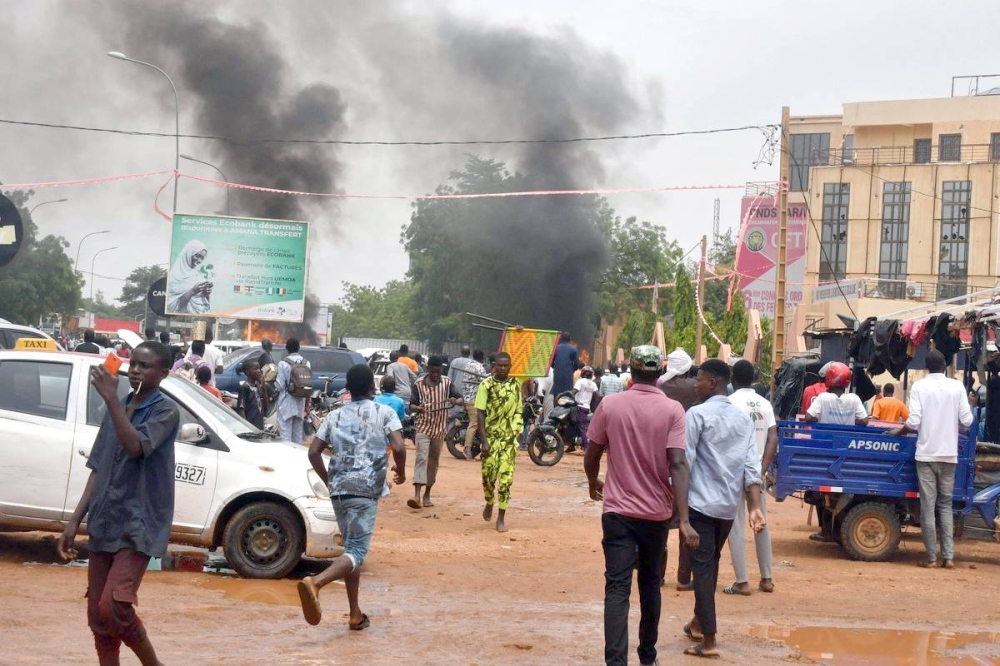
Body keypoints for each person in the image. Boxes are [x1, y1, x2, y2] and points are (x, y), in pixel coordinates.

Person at [58, 341, 179, 666]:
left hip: (137, 526)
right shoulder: (118, 406)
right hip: (104, 521)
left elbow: (135, 447)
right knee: (98, 618)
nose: (135, 370)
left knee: (114, 607)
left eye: (145, 365)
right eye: (133, 363)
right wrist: (74, 521)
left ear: (164, 374)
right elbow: (98, 467)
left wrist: (111, 400)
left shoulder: (165, 411)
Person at [584, 345, 693, 666]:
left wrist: (593, 482)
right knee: (649, 586)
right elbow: (678, 463)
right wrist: (684, 519)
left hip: (617, 512)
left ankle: (615, 662)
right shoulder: (673, 411)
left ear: (631, 371)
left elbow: (592, 454)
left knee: (617, 589)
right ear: (661, 373)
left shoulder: (610, 405)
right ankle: (648, 657)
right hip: (656, 515)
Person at [300, 364, 407, 630]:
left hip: (339, 492)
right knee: (358, 551)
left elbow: (313, 452)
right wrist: (401, 472)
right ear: (373, 387)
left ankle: (355, 613)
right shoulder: (385, 412)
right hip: (365, 491)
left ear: (347, 388)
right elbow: (399, 446)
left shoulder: (334, 416)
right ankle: (317, 583)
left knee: (351, 552)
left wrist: (330, 481)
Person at [683, 359, 765, 659]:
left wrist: (677, 508)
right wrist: (755, 507)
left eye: (700, 379)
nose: (696, 384)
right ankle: (697, 622)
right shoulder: (742, 419)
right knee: (710, 564)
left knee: (703, 569)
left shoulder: (696, 415)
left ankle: (709, 640)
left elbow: (685, 462)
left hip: (700, 505)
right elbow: (751, 465)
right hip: (728, 508)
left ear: (714, 382)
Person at [889, 350, 974, 568]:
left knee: (928, 506)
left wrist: (899, 432)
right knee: (945, 505)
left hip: (926, 454)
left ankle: (931, 558)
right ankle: (949, 557)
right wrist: (969, 404)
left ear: (927, 367)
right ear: (945, 365)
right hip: (949, 455)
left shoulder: (920, 387)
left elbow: (914, 421)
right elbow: (967, 419)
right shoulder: (956, 387)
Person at [725, 360, 778, 596]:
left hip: (733, 470)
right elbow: (773, 439)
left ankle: (742, 581)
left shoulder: (729, 403)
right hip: (756, 470)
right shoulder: (765, 404)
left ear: (732, 379)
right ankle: (767, 579)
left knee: (735, 526)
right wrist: (761, 469)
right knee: (761, 523)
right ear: (754, 379)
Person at [476, 352, 523, 533]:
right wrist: (484, 441)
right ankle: (489, 501)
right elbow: (480, 413)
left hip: (509, 440)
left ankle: (501, 516)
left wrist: (517, 432)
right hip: (490, 438)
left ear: (510, 366)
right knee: (488, 477)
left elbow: (519, 409)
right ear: (494, 365)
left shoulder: (515, 385)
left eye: (506, 365)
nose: (503, 368)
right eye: (500, 365)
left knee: (506, 479)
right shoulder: (486, 385)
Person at [408, 355, 463, 509]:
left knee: (433, 462)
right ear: (427, 370)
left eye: (438, 372)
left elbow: (460, 398)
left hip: (439, 429)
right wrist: (418, 408)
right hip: (423, 427)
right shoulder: (418, 384)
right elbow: (411, 405)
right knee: (421, 458)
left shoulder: (447, 382)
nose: (436, 375)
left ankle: (427, 494)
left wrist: (454, 401)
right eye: (433, 372)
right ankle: (416, 495)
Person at [804, 362, 869, 426]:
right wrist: (850, 420)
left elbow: (808, 417)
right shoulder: (854, 398)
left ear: (829, 378)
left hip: (824, 436)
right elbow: (864, 421)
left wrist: (820, 419)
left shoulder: (823, 397)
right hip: (845, 436)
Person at [275, 338, 311, 444]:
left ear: (286, 348)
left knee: (285, 436)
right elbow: (308, 385)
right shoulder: (306, 363)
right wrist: (307, 405)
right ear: (299, 348)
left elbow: (280, 385)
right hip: (300, 403)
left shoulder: (283, 363)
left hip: (286, 404)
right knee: (297, 436)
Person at [166, 240, 213, 314]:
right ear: (188, 253)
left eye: (202, 258)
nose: (199, 260)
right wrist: (193, 291)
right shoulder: (174, 277)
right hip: (183, 320)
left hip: (202, 317)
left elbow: (206, 305)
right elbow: (170, 307)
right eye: (197, 256)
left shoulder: (199, 275)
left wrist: (206, 294)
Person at [460, 350, 488, 459]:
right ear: (482, 357)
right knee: (475, 423)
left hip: (467, 397)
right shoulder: (479, 367)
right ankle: (467, 449)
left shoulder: (468, 365)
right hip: (474, 399)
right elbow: (485, 381)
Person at [236, 359, 269, 429]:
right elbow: (241, 409)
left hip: (259, 424)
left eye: (259, 368)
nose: (259, 371)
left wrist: (264, 388)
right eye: (255, 369)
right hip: (250, 425)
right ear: (247, 372)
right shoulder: (245, 387)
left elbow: (265, 407)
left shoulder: (258, 385)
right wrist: (245, 427)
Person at [573, 366, 599, 449]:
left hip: (579, 406)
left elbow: (574, 392)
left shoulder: (580, 381)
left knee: (581, 427)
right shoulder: (593, 384)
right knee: (575, 424)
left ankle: (585, 446)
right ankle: (572, 443)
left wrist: (566, 394)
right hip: (586, 408)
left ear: (582, 373)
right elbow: (597, 396)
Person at [551, 332, 581, 398]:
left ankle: (556, 406)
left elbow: (551, 362)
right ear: (570, 339)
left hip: (557, 375)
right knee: (567, 395)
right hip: (568, 376)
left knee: (556, 395)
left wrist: (556, 368)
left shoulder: (555, 348)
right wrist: (571, 370)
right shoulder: (573, 349)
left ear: (561, 338)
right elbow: (576, 364)